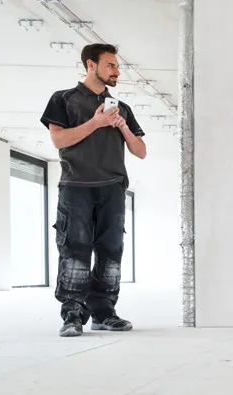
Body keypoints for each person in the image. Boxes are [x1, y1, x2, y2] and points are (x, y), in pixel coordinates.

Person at [40, 43, 147, 337]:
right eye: (110, 65)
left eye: (116, 66)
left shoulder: (121, 108)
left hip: (112, 188)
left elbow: (140, 151)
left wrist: (122, 127)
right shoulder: (63, 99)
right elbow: (59, 140)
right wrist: (96, 122)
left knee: (111, 252)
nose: (116, 71)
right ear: (91, 65)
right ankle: (73, 314)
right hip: (76, 186)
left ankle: (104, 313)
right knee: (74, 251)